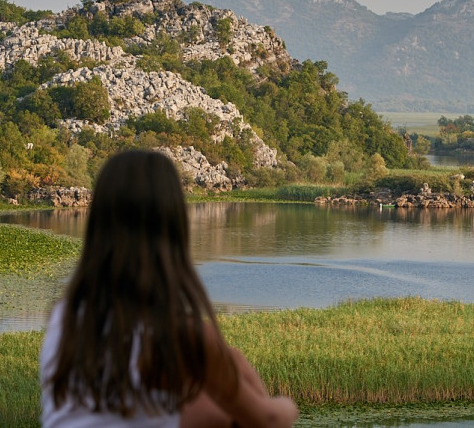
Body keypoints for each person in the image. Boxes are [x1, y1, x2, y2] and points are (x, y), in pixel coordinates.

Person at [39, 149, 298, 427]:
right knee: (237, 386)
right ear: (174, 227)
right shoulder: (179, 338)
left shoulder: (65, 318)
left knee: (230, 365)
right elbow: (270, 420)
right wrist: (287, 405)